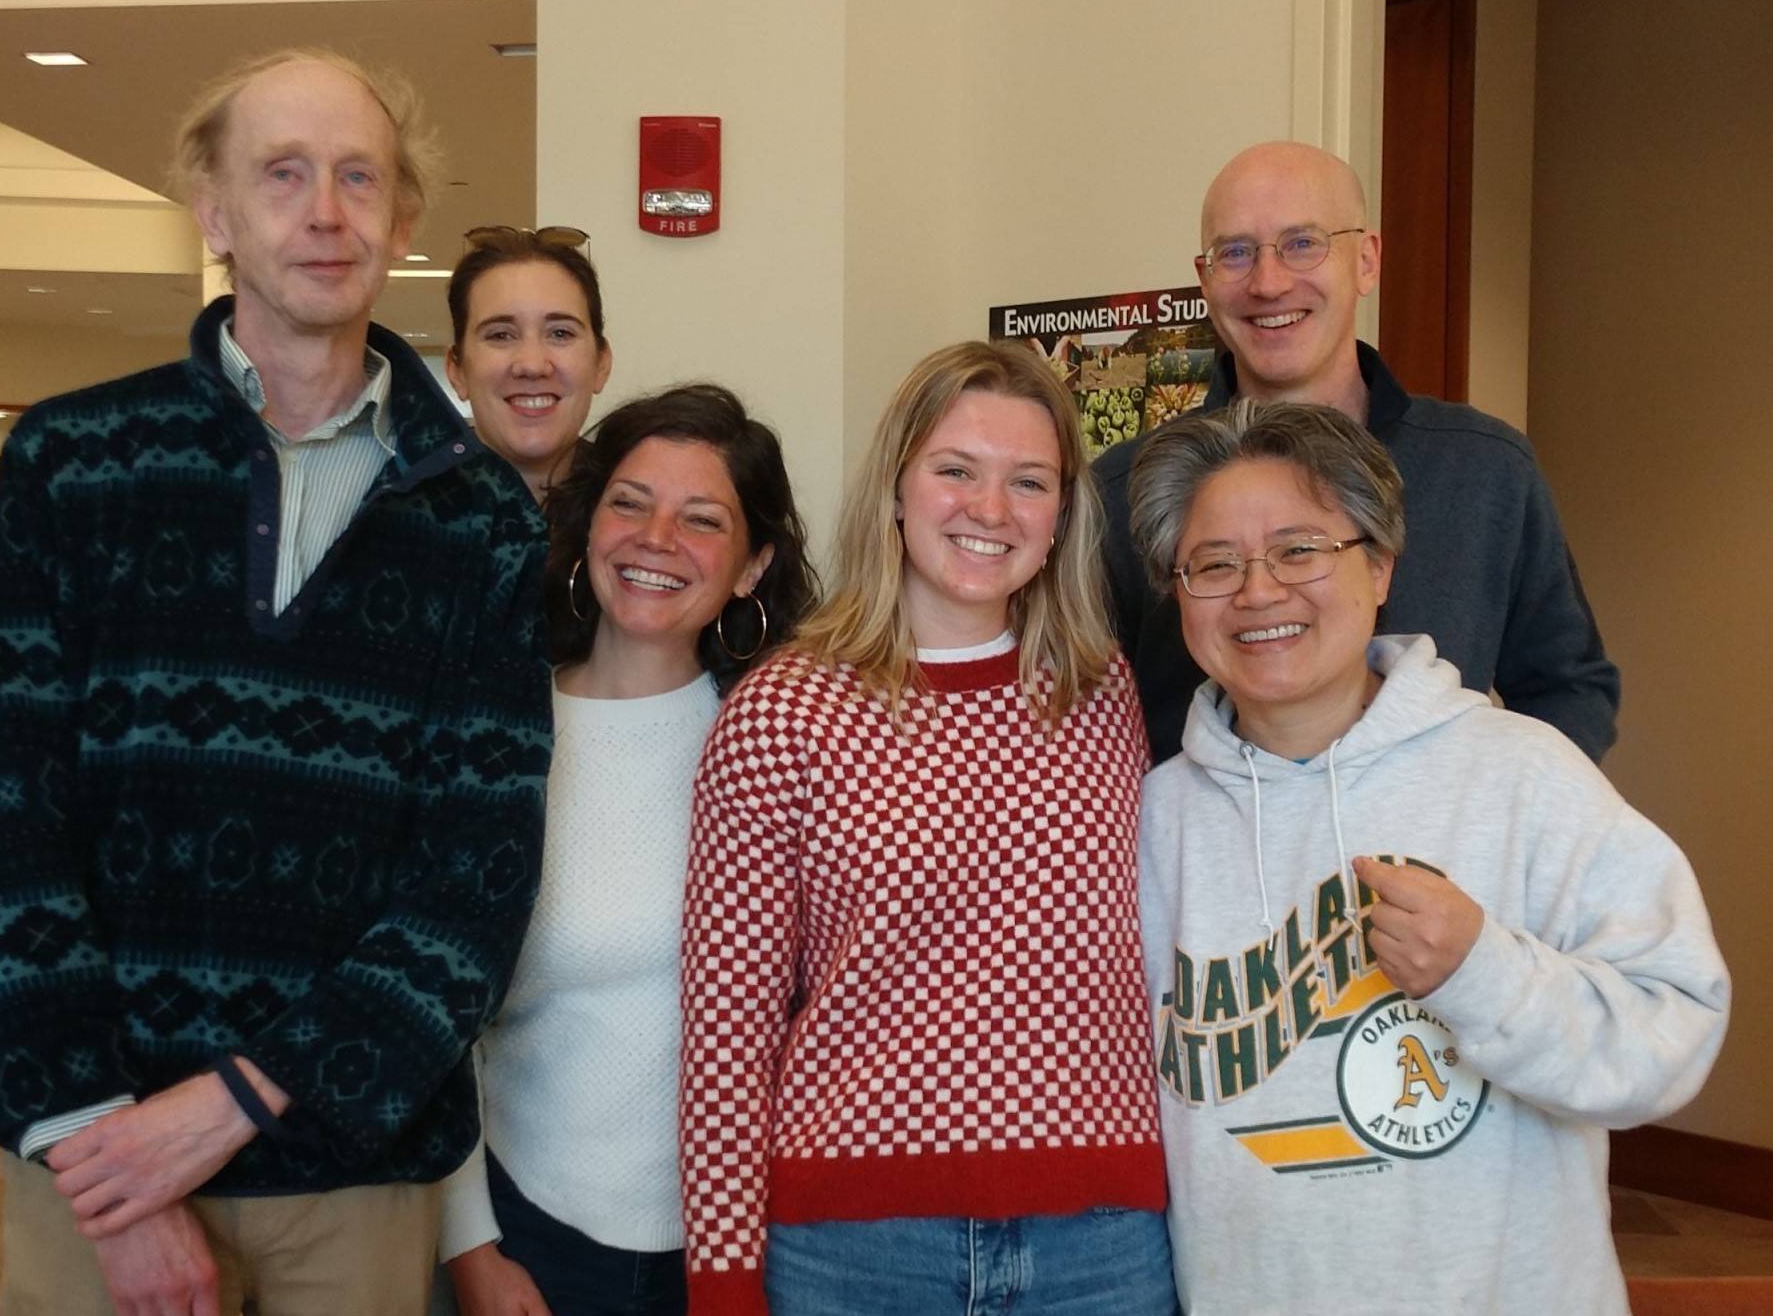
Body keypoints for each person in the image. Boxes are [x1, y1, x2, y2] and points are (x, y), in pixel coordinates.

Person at [0, 49, 551, 1316]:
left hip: (355, 1173)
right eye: (283, 176)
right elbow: (9, 835)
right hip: (95, 1170)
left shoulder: (483, 517)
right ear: (214, 215)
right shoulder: (74, 461)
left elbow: (474, 879)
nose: (325, 213)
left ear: (400, 221)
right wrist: (109, 1151)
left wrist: (232, 1101)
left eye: (357, 178)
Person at [1126, 399, 1728, 1313]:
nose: (1257, 592)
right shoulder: (1152, 822)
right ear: (1180, 599)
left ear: (1378, 566)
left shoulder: (1519, 773)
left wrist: (1483, 972)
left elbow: (1674, 1030)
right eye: (1214, 564)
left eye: (1299, 550)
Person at [679, 341, 1173, 1316]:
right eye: (955, 470)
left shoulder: (1100, 689)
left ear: (1062, 515)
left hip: (1101, 1243)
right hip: (856, 1249)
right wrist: (724, 1283)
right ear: (897, 487)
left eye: (1027, 482)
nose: (989, 511)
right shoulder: (785, 708)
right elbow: (724, 1031)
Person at [438, 385, 817, 1316]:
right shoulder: (495, 733)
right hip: (526, 1238)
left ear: (750, 566)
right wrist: (470, 1249)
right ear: (585, 524)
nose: (656, 540)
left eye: (701, 519)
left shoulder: (795, 747)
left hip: (754, 1245)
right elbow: (435, 1020)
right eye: (629, 503)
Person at [1094, 139, 1619, 764]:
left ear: (1367, 261)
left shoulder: (1487, 471)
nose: (1269, 281)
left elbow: (1568, 689)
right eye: (1235, 253)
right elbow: (1084, 719)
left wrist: (1495, 835)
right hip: (1202, 851)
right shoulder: (1120, 490)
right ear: (1205, 280)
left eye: (1302, 243)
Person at [444, 225, 612, 505]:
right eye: (500, 335)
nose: (532, 365)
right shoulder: (394, 507)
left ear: (601, 364)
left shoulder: (643, 515)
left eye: (560, 333)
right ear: (457, 371)